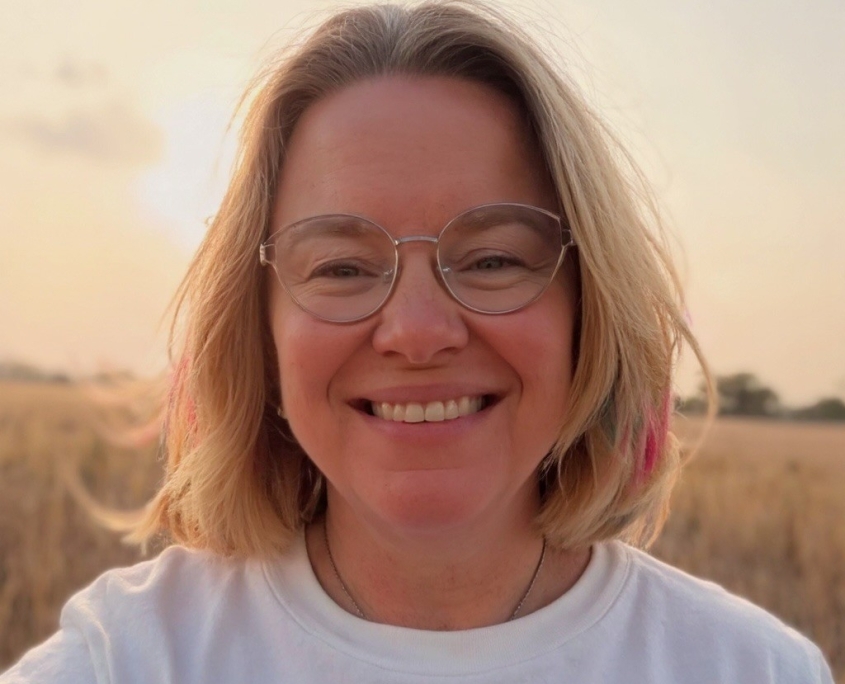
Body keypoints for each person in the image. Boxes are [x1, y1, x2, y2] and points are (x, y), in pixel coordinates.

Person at [2, 2, 834, 682]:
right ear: (259, 332)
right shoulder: (128, 660)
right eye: (340, 267)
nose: (416, 332)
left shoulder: (749, 670)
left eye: (493, 258)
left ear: (590, 308)